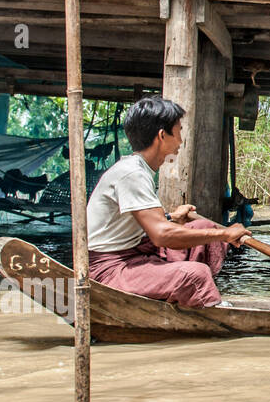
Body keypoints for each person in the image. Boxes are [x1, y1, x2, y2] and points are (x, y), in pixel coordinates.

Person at [86, 96, 250, 308]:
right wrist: (225, 233)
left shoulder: (138, 169)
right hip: (109, 270)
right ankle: (205, 305)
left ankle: (190, 298)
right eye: (179, 131)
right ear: (162, 136)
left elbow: (140, 222)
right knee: (196, 275)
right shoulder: (132, 174)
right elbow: (161, 235)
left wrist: (171, 218)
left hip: (133, 253)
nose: (181, 141)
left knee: (204, 226)